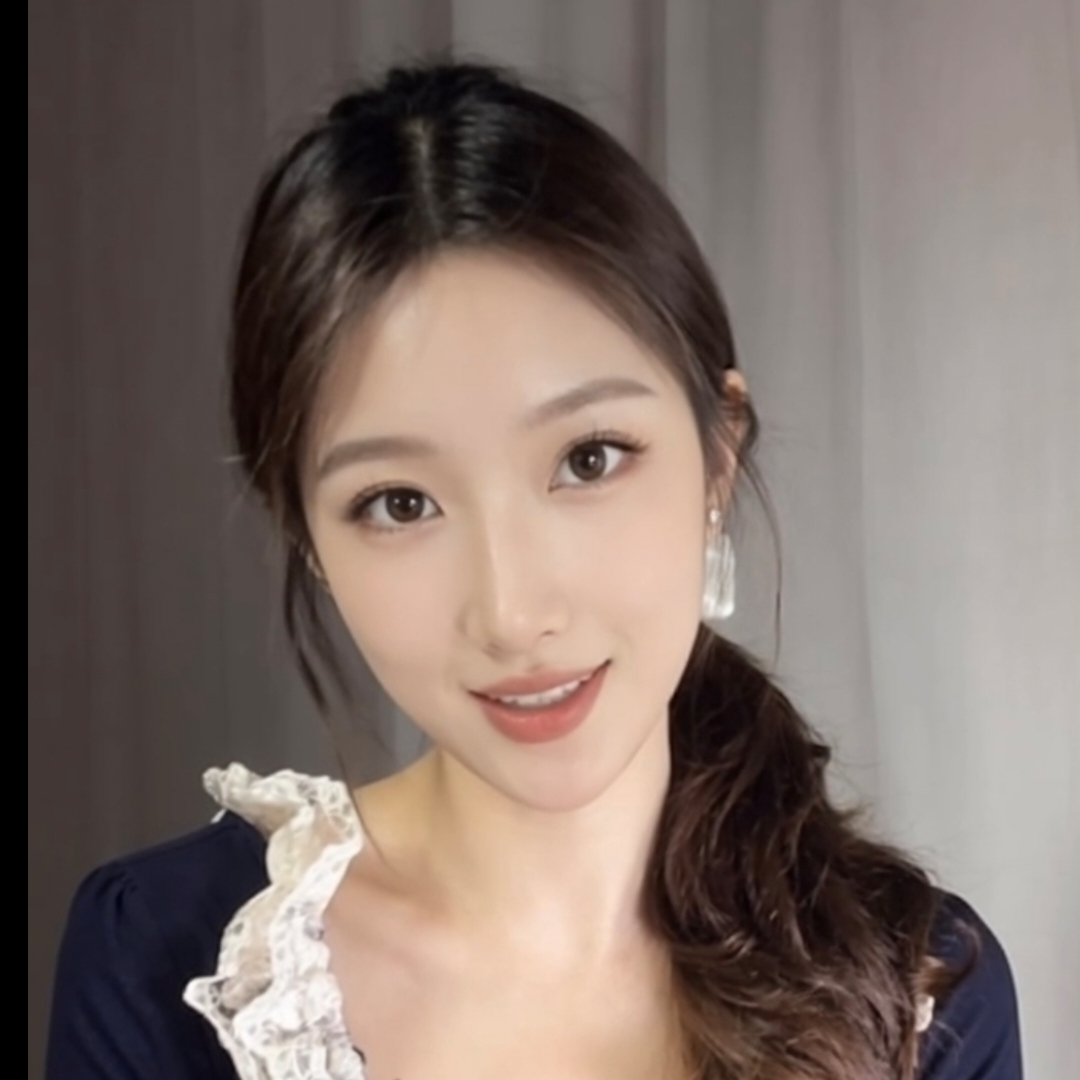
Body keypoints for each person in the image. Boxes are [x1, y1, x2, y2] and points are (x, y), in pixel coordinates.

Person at [44, 59, 1023, 1080]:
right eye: (400, 503)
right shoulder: (168, 960)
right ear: (309, 541)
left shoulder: (920, 992)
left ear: (717, 459)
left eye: (588, 460)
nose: (512, 614)